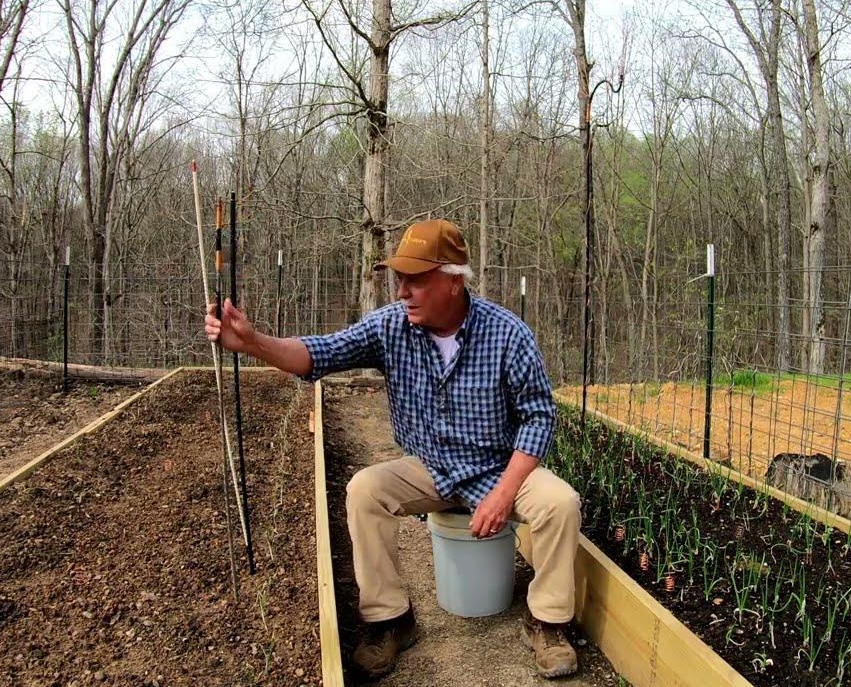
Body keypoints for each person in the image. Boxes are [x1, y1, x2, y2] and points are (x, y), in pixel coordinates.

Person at [204, 219, 582, 679]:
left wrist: (504, 494)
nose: (403, 290)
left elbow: (539, 417)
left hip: (495, 467)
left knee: (560, 503)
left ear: (453, 280)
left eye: (415, 279)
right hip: (431, 466)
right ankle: (391, 620)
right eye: (399, 279)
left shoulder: (508, 334)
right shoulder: (390, 327)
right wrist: (253, 343)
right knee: (365, 490)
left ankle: (546, 621)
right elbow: (320, 353)